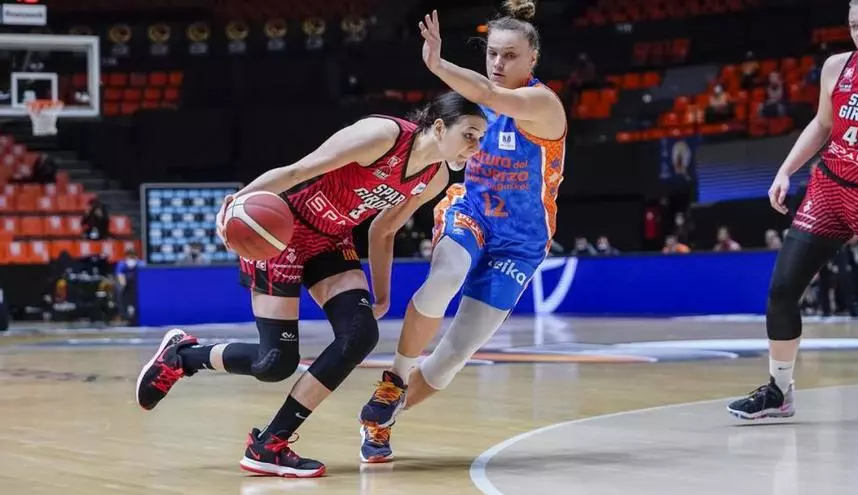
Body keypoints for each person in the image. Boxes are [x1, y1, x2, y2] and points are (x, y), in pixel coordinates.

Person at [134, 91, 487, 477]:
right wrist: (238, 203)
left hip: (331, 240)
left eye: (481, 138)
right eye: (469, 135)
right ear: (440, 127)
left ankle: (269, 443)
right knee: (274, 363)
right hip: (282, 229)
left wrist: (383, 295)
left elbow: (384, 230)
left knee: (360, 335)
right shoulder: (381, 136)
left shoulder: (436, 177)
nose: (475, 147)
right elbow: (297, 171)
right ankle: (184, 357)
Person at [357, 0, 567, 463]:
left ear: (532, 59)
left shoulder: (542, 104)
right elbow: (440, 144)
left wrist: (437, 64)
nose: (498, 63)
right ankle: (394, 379)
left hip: (521, 242)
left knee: (454, 354)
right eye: (492, 53)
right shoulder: (473, 102)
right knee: (445, 277)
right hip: (472, 212)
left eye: (510, 55)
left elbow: (492, 95)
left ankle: (382, 420)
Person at [727, 0, 858, 420]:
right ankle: (779, 392)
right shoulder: (836, 68)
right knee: (782, 291)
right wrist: (785, 171)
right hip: (829, 189)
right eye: (854, 24)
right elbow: (822, 124)